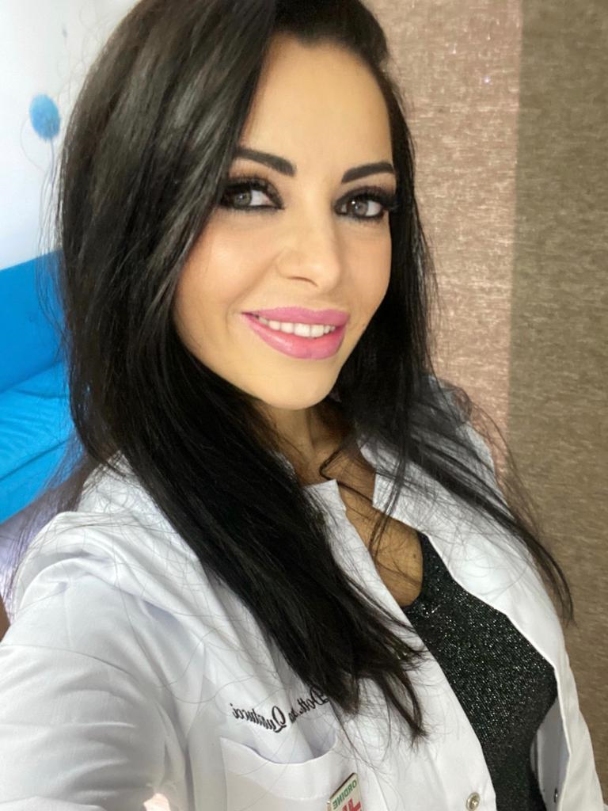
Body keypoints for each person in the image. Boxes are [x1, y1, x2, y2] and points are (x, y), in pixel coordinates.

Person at [0, 1, 604, 809]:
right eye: (249, 192)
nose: (325, 264)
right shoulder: (114, 585)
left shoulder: (436, 423)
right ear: (138, 215)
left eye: (361, 202)